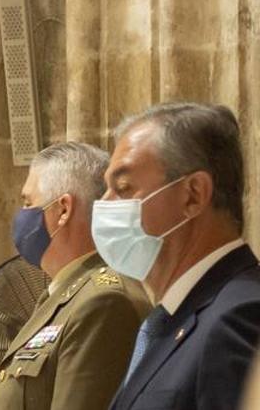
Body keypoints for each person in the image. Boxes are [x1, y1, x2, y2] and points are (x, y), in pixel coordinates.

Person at [94, 103, 260, 410]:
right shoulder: (170, 320)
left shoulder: (240, 315)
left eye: (123, 187)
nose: (104, 203)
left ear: (193, 195)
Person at [0, 142, 149, 410]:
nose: (22, 214)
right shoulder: (64, 295)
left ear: (63, 209)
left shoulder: (102, 302)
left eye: (28, 202)